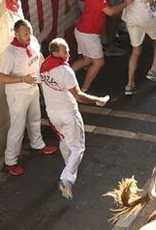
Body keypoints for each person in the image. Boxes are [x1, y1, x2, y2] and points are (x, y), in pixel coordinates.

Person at [39, 38, 110, 200]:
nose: (69, 54)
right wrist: (97, 99)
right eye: (65, 51)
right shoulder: (66, 71)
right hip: (69, 114)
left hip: (53, 115)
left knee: (64, 142)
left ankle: (67, 167)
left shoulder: (43, 67)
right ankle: (67, 178)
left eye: (68, 50)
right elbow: (78, 96)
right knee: (78, 147)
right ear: (56, 53)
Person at [0, 20, 56, 175]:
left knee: (35, 118)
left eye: (29, 32)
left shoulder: (33, 41)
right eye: (25, 33)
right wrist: (23, 79)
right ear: (16, 34)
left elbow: (39, 57)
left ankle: (37, 144)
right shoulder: (9, 53)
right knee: (17, 127)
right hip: (18, 94)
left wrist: (47, 72)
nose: (28, 36)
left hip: (33, 88)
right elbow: (1, 78)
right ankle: (10, 162)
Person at [73, 0, 132, 92]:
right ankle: (84, 89)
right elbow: (110, 12)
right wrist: (126, 3)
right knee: (98, 62)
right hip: (88, 34)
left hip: (83, 31)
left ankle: (62, 77)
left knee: (87, 60)